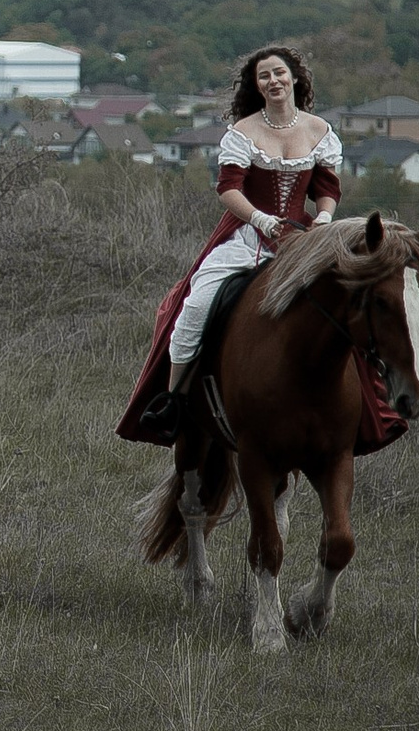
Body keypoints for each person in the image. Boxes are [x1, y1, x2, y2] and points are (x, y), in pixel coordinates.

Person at [120, 46, 342, 445]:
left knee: (351, 301)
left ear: (294, 77)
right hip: (245, 235)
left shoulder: (320, 131)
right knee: (194, 306)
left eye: (279, 73)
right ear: (256, 86)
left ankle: (360, 403)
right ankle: (175, 404)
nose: (273, 81)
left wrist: (324, 220)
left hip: (304, 239)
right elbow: (228, 189)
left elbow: (326, 191)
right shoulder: (243, 133)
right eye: (264, 77)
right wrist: (261, 219)